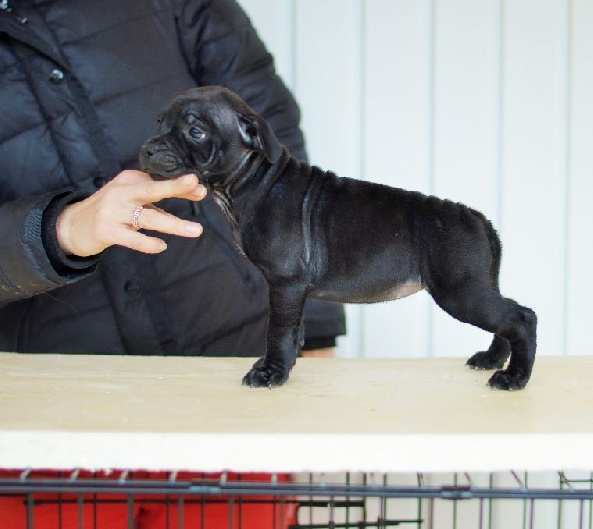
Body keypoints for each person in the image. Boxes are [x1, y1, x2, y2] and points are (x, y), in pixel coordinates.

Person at [0, 0, 346, 357]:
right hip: (60, 370)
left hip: (240, 336)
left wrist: (312, 326)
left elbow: (274, 146)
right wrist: (61, 229)